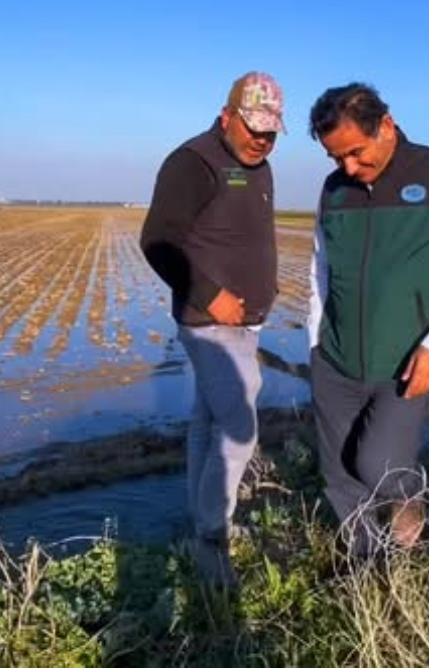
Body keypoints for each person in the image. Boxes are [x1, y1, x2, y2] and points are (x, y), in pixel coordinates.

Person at [307, 82, 429, 554]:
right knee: (341, 476)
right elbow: (320, 269)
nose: (348, 168)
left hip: (410, 362)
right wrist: (315, 342)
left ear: (386, 126)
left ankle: (414, 519)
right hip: (335, 359)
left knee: (380, 466)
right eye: (335, 158)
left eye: (355, 152)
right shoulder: (335, 190)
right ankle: (369, 569)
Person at [139, 71, 285, 588]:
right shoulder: (192, 162)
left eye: (270, 131)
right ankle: (211, 536)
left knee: (207, 421)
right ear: (227, 116)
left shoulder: (258, 165)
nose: (261, 140)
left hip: (247, 322)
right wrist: (210, 294)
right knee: (240, 427)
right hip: (210, 323)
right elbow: (158, 241)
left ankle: (200, 520)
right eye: (253, 129)